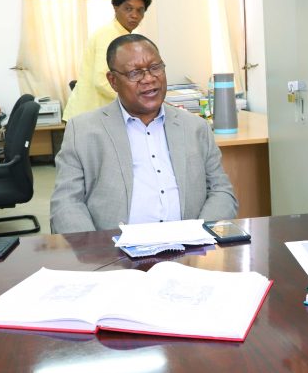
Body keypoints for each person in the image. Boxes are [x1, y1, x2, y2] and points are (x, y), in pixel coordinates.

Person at [51, 34, 237, 233]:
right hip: (113, 248)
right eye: (135, 73)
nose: (149, 79)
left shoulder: (195, 127)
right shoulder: (83, 131)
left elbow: (221, 191)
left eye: (155, 68)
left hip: (190, 245)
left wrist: (200, 234)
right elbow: (66, 203)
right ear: (113, 81)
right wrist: (95, 247)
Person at [62, 0, 152, 122]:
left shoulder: (122, 36)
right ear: (116, 8)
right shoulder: (110, 35)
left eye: (140, 10)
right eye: (128, 9)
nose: (134, 15)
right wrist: (136, 100)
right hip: (87, 118)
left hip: (96, 115)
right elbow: (102, 81)